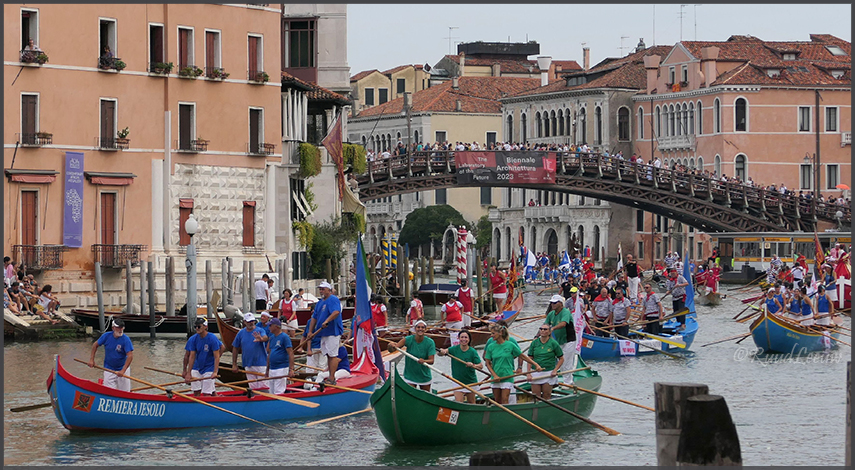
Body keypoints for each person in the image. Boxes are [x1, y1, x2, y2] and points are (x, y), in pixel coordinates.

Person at [484, 323, 540, 404]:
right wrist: (494, 375)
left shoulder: (510, 345)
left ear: (500, 333)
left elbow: (522, 356)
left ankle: (506, 416)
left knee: (504, 399)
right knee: (497, 401)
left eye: (493, 333)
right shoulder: (491, 347)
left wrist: (536, 365)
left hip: (507, 376)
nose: (491, 335)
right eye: (491, 333)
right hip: (495, 377)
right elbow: (488, 363)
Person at [300, 281, 344, 385]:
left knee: (332, 355)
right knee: (327, 354)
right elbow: (314, 318)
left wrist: (327, 321)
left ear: (329, 290)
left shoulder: (333, 299)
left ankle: (332, 378)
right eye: (320, 289)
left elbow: (336, 312)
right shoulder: (319, 303)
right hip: (323, 333)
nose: (321, 291)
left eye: (323, 289)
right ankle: (329, 376)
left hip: (333, 331)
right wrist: (310, 331)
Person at [387, 319, 435, 391]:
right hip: (410, 376)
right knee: (411, 392)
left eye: (422, 327)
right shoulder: (408, 339)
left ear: (425, 329)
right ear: (415, 329)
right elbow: (393, 349)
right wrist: (390, 346)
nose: (420, 329)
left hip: (424, 376)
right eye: (418, 327)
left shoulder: (430, 342)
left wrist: (424, 361)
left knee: (425, 397)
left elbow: (431, 361)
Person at [87, 319, 134, 391]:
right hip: (109, 368)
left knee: (125, 392)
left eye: (122, 328)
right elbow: (95, 345)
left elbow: (130, 356)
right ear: (113, 328)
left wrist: (123, 370)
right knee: (108, 391)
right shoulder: (106, 336)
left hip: (122, 369)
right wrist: (91, 360)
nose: (120, 330)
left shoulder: (126, 339)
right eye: (118, 328)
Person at [437, 330, 483, 403]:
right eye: (462, 337)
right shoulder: (454, 349)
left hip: (470, 381)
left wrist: (473, 365)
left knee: (472, 402)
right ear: (458, 338)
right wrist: (441, 351)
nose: (464, 339)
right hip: (457, 381)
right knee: (458, 402)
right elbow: (441, 353)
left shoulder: (472, 351)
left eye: (466, 337)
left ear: (469, 339)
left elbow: (480, 366)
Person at [183, 318, 221, 397]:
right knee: (196, 391)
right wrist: (188, 373)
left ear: (205, 327)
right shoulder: (193, 339)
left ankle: (212, 399)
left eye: (199, 326)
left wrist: (215, 372)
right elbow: (191, 356)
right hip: (197, 367)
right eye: (195, 327)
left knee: (207, 393)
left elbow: (217, 357)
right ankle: (198, 405)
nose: (197, 328)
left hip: (209, 368)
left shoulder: (212, 338)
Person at [232, 311, 269, 390]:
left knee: (264, 386)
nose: (251, 323)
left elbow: (265, 337)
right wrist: (234, 364)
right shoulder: (240, 333)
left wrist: (261, 339)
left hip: (261, 363)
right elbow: (235, 348)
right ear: (244, 322)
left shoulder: (260, 330)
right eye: (249, 321)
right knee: (253, 387)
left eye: (252, 321)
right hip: (248, 364)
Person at [526, 323, 564, 400]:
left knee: (546, 395)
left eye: (545, 329)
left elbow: (561, 358)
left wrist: (555, 370)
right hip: (536, 372)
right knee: (536, 396)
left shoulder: (553, 343)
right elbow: (529, 359)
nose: (543, 331)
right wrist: (528, 373)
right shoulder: (534, 343)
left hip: (548, 373)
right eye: (541, 329)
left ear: (549, 332)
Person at [544, 294, 576, 383]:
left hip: (569, 340)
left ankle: (568, 382)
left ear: (561, 304)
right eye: (551, 303)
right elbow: (545, 325)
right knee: (559, 361)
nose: (552, 305)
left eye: (555, 303)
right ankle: (559, 380)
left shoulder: (565, 312)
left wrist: (553, 328)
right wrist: (537, 336)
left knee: (565, 361)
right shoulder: (551, 314)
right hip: (559, 341)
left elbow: (563, 324)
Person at [265, 318, 294, 394]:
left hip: (281, 368)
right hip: (272, 368)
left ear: (276, 327)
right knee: (271, 391)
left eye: (270, 326)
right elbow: (269, 353)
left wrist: (291, 369)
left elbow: (290, 353)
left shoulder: (285, 337)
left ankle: (279, 404)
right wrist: (267, 370)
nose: (269, 327)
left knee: (278, 391)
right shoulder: (272, 337)